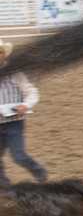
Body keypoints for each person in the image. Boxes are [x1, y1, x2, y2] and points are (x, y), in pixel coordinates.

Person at [0, 38, 49, 186]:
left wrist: (25, 105)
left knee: (19, 155)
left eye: (1, 52)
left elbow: (31, 92)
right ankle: (4, 185)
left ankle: (40, 174)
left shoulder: (14, 73)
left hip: (13, 122)